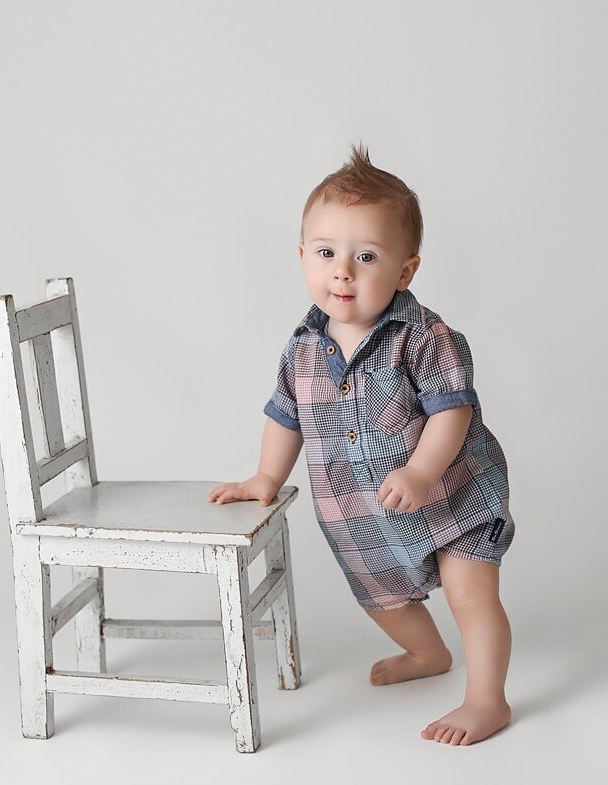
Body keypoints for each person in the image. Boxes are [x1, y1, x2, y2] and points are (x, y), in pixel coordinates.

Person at [208, 144, 516, 746]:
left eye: (366, 256)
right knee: (382, 599)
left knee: (469, 592)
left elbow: (453, 412)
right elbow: (285, 415)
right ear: (302, 257)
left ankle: (487, 699)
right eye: (326, 253)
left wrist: (425, 470)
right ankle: (428, 655)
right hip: (360, 515)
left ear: (405, 271)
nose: (342, 271)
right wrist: (265, 478)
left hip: (454, 497)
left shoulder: (425, 339)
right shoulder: (301, 348)